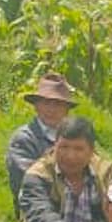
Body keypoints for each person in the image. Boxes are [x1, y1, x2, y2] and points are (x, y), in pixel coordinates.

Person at [6, 73, 79, 202]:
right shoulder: (23, 139)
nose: (51, 109)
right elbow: (30, 180)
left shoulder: (76, 138)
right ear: (36, 106)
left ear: (67, 109)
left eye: (57, 104)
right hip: (36, 209)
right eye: (46, 103)